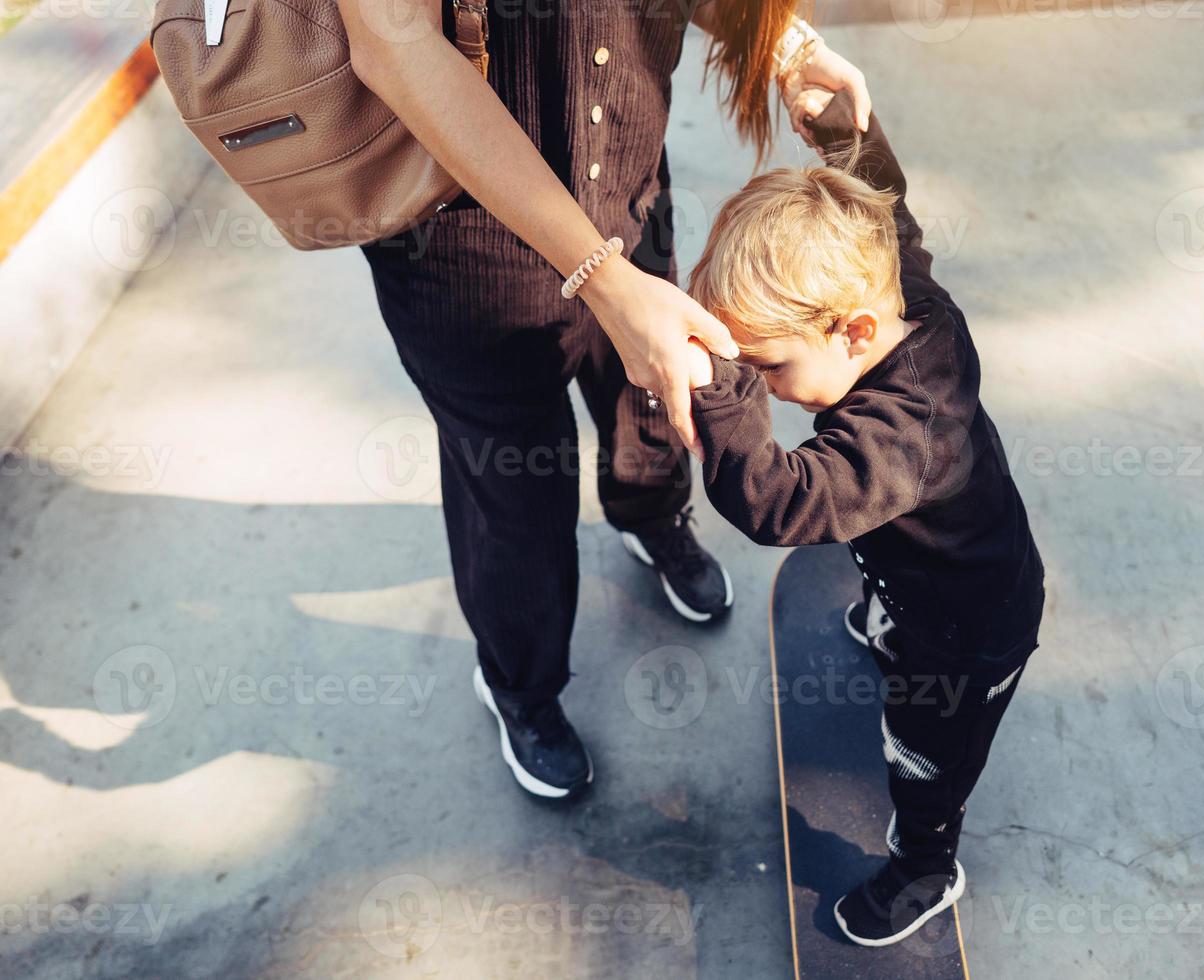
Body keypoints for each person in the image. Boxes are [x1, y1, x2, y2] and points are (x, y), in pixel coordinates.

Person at [337, 0, 872, 799]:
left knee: (650, 404)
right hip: (457, 247)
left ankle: (651, 519)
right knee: (515, 495)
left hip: (630, 190)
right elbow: (393, 44)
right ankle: (521, 687)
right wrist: (601, 277)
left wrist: (786, 44)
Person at [683, 94, 1046, 946]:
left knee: (923, 757)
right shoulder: (901, 297)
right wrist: (848, 134)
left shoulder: (904, 435)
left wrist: (718, 391)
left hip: (966, 637)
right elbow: (891, 218)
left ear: (852, 331)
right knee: (895, 590)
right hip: (938, 573)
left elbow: (782, 503)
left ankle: (926, 867)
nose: (764, 385)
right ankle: (891, 623)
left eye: (768, 366)